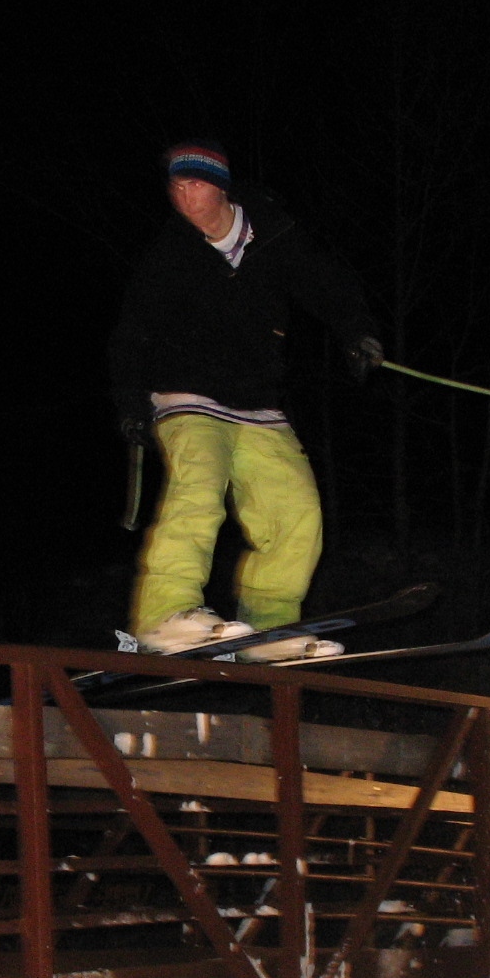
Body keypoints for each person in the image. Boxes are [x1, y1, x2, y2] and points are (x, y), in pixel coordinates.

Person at [110, 140, 382, 659]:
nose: (184, 196)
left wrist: (359, 333)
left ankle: (270, 629)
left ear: (221, 188)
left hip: (257, 401)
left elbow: (328, 285)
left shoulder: (275, 235)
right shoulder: (169, 254)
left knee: (295, 510)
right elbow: (132, 334)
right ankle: (165, 614)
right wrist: (129, 402)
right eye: (176, 186)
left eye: (194, 184)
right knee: (199, 489)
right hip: (185, 393)